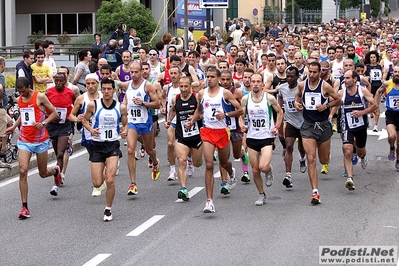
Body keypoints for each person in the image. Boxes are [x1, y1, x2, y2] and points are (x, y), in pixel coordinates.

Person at [189, 66, 243, 213]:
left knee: (224, 162)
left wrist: (225, 115)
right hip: (207, 131)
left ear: (218, 78)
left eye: (213, 76)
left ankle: (230, 172)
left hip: (222, 132)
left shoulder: (224, 93)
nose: (210, 79)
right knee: (209, 164)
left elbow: (240, 110)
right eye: (208, 76)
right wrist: (192, 121)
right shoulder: (201, 93)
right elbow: (199, 110)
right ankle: (209, 202)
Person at [5, 77, 59, 219]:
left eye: (24, 91)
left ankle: (55, 172)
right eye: (20, 92)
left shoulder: (39, 97)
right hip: (24, 140)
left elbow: (54, 112)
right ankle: (25, 207)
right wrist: (14, 127)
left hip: (40, 140)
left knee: (42, 173)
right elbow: (23, 116)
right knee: (23, 171)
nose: (22, 94)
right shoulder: (20, 99)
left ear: (29, 87)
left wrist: (44, 122)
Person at [294, 62, 341, 205]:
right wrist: (297, 103)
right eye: (310, 72)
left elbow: (338, 99)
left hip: (323, 125)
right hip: (308, 126)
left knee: (323, 160)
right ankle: (315, 192)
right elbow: (297, 96)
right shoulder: (302, 85)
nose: (312, 75)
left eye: (315, 72)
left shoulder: (325, 86)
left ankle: (327, 156)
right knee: (311, 158)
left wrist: (326, 106)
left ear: (320, 72)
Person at [82, 78, 127, 222]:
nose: (107, 92)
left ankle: (108, 209)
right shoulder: (93, 105)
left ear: (114, 91)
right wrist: (91, 129)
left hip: (113, 144)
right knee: (97, 183)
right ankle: (103, 173)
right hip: (97, 145)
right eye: (104, 89)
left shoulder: (121, 107)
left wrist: (124, 131)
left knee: (110, 180)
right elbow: (84, 120)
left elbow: (125, 123)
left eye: (109, 89)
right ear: (101, 90)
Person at [240, 73, 283, 205]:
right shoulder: (245, 99)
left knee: (263, 166)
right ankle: (261, 194)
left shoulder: (269, 98)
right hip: (252, 137)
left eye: (258, 81)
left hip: (266, 136)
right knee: (255, 169)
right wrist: (242, 124)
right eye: (253, 81)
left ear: (262, 84)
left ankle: (268, 171)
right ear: (250, 83)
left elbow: (280, 112)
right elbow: (241, 115)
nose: (255, 84)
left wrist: (277, 127)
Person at [121, 62, 161, 196]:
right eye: (131, 72)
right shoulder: (128, 86)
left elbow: (157, 104)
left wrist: (143, 103)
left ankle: (155, 161)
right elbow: (126, 101)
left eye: (135, 72)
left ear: (141, 72)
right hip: (132, 122)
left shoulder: (147, 85)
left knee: (149, 149)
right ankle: (133, 184)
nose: (133, 74)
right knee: (131, 150)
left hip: (145, 121)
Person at [334, 70, 377, 190]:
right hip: (347, 126)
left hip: (361, 126)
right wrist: (330, 114)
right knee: (347, 151)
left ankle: (363, 157)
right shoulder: (342, 93)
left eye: (348, 78)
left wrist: (362, 112)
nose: (345, 80)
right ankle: (350, 179)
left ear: (355, 79)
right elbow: (335, 104)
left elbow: (374, 104)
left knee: (360, 151)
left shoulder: (362, 91)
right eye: (344, 78)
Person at [165, 76, 203, 201]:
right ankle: (183, 188)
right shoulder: (175, 99)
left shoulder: (197, 98)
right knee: (181, 160)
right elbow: (173, 110)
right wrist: (169, 121)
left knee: (198, 164)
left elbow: (203, 113)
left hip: (196, 136)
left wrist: (195, 117)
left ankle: (192, 159)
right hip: (182, 136)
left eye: (186, 86)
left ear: (191, 86)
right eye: (181, 86)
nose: (183, 89)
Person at [69, 73, 105, 196]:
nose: (90, 86)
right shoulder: (81, 98)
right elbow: (71, 115)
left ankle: (98, 184)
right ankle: (99, 181)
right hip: (89, 134)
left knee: (102, 158)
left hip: (104, 133)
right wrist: (76, 119)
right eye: (88, 84)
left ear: (98, 84)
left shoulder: (104, 96)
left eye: (93, 83)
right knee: (94, 157)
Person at [45, 72, 76, 196]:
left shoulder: (70, 93)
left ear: (65, 81)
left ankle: (56, 183)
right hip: (52, 126)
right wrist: (49, 116)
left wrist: (72, 117)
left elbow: (75, 106)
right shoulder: (49, 92)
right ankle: (59, 173)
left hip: (64, 125)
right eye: (56, 80)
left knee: (60, 154)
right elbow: (42, 108)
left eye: (61, 81)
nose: (58, 83)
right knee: (57, 151)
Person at [278, 66, 307, 188]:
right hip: (289, 121)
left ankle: (302, 158)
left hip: (303, 122)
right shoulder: (282, 88)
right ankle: (288, 175)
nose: (289, 78)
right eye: (287, 76)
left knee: (301, 146)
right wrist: (279, 112)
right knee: (289, 146)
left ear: (297, 77)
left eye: (292, 76)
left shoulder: (302, 87)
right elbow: (279, 101)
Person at [376, 65, 399, 171]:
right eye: (395, 72)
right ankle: (391, 147)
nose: (397, 74)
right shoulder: (387, 84)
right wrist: (376, 107)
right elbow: (378, 92)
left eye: (398, 72)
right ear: (392, 73)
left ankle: (398, 161)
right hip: (391, 114)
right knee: (392, 135)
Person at [161, 65, 181, 181]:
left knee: (186, 145)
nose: (173, 76)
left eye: (175, 73)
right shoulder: (167, 88)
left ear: (180, 74)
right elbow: (163, 98)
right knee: (170, 144)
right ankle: (172, 170)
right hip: (171, 119)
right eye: (171, 74)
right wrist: (163, 107)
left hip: (183, 120)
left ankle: (188, 160)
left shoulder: (184, 87)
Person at [0, 57, 10, 166]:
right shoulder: (0, 76)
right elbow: (0, 88)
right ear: (2, 65)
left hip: (3, 109)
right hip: (1, 108)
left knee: (10, 122)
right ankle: (3, 150)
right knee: (2, 133)